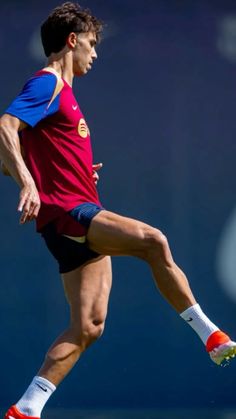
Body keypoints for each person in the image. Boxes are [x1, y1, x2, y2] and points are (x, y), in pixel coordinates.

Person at [0, 2, 235, 418]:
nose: (95, 53)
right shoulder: (48, 83)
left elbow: (13, 151)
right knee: (153, 241)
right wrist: (30, 182)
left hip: (68, 217)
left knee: (88, 326)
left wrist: (59, 170)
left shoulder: (63, 95)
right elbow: (5, 127)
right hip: (69, 214)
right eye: (91, 44)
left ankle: (26, 409)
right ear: (71, 41)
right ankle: (211, 335)